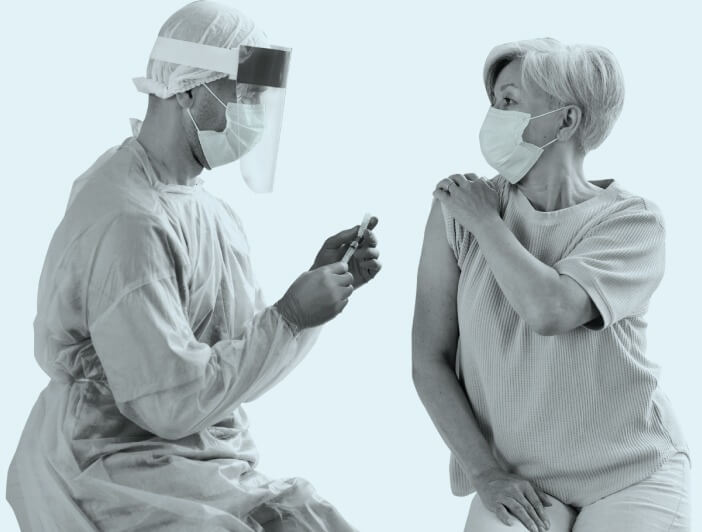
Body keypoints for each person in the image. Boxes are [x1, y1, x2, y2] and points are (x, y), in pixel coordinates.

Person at [6, 2, 380, 530]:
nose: (255, 113)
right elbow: (167, 403)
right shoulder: (128, 219)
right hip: (111, 464)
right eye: (245, 93)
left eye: (260, 97)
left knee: (311, 519)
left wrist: (313, 295)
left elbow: (233, 362)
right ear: (188, 87)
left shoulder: (204, 210)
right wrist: (293, 315)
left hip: (191, 455)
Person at [412, 38, 690, 532]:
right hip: (517, 478)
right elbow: (428, 360)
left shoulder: (631, 221)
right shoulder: (455, 210)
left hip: (631, 471)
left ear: (566, 120)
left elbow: (551, 311)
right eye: (495, 100)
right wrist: (487, 474)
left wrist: (487, 223)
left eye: (510, 100)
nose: (495, 115)